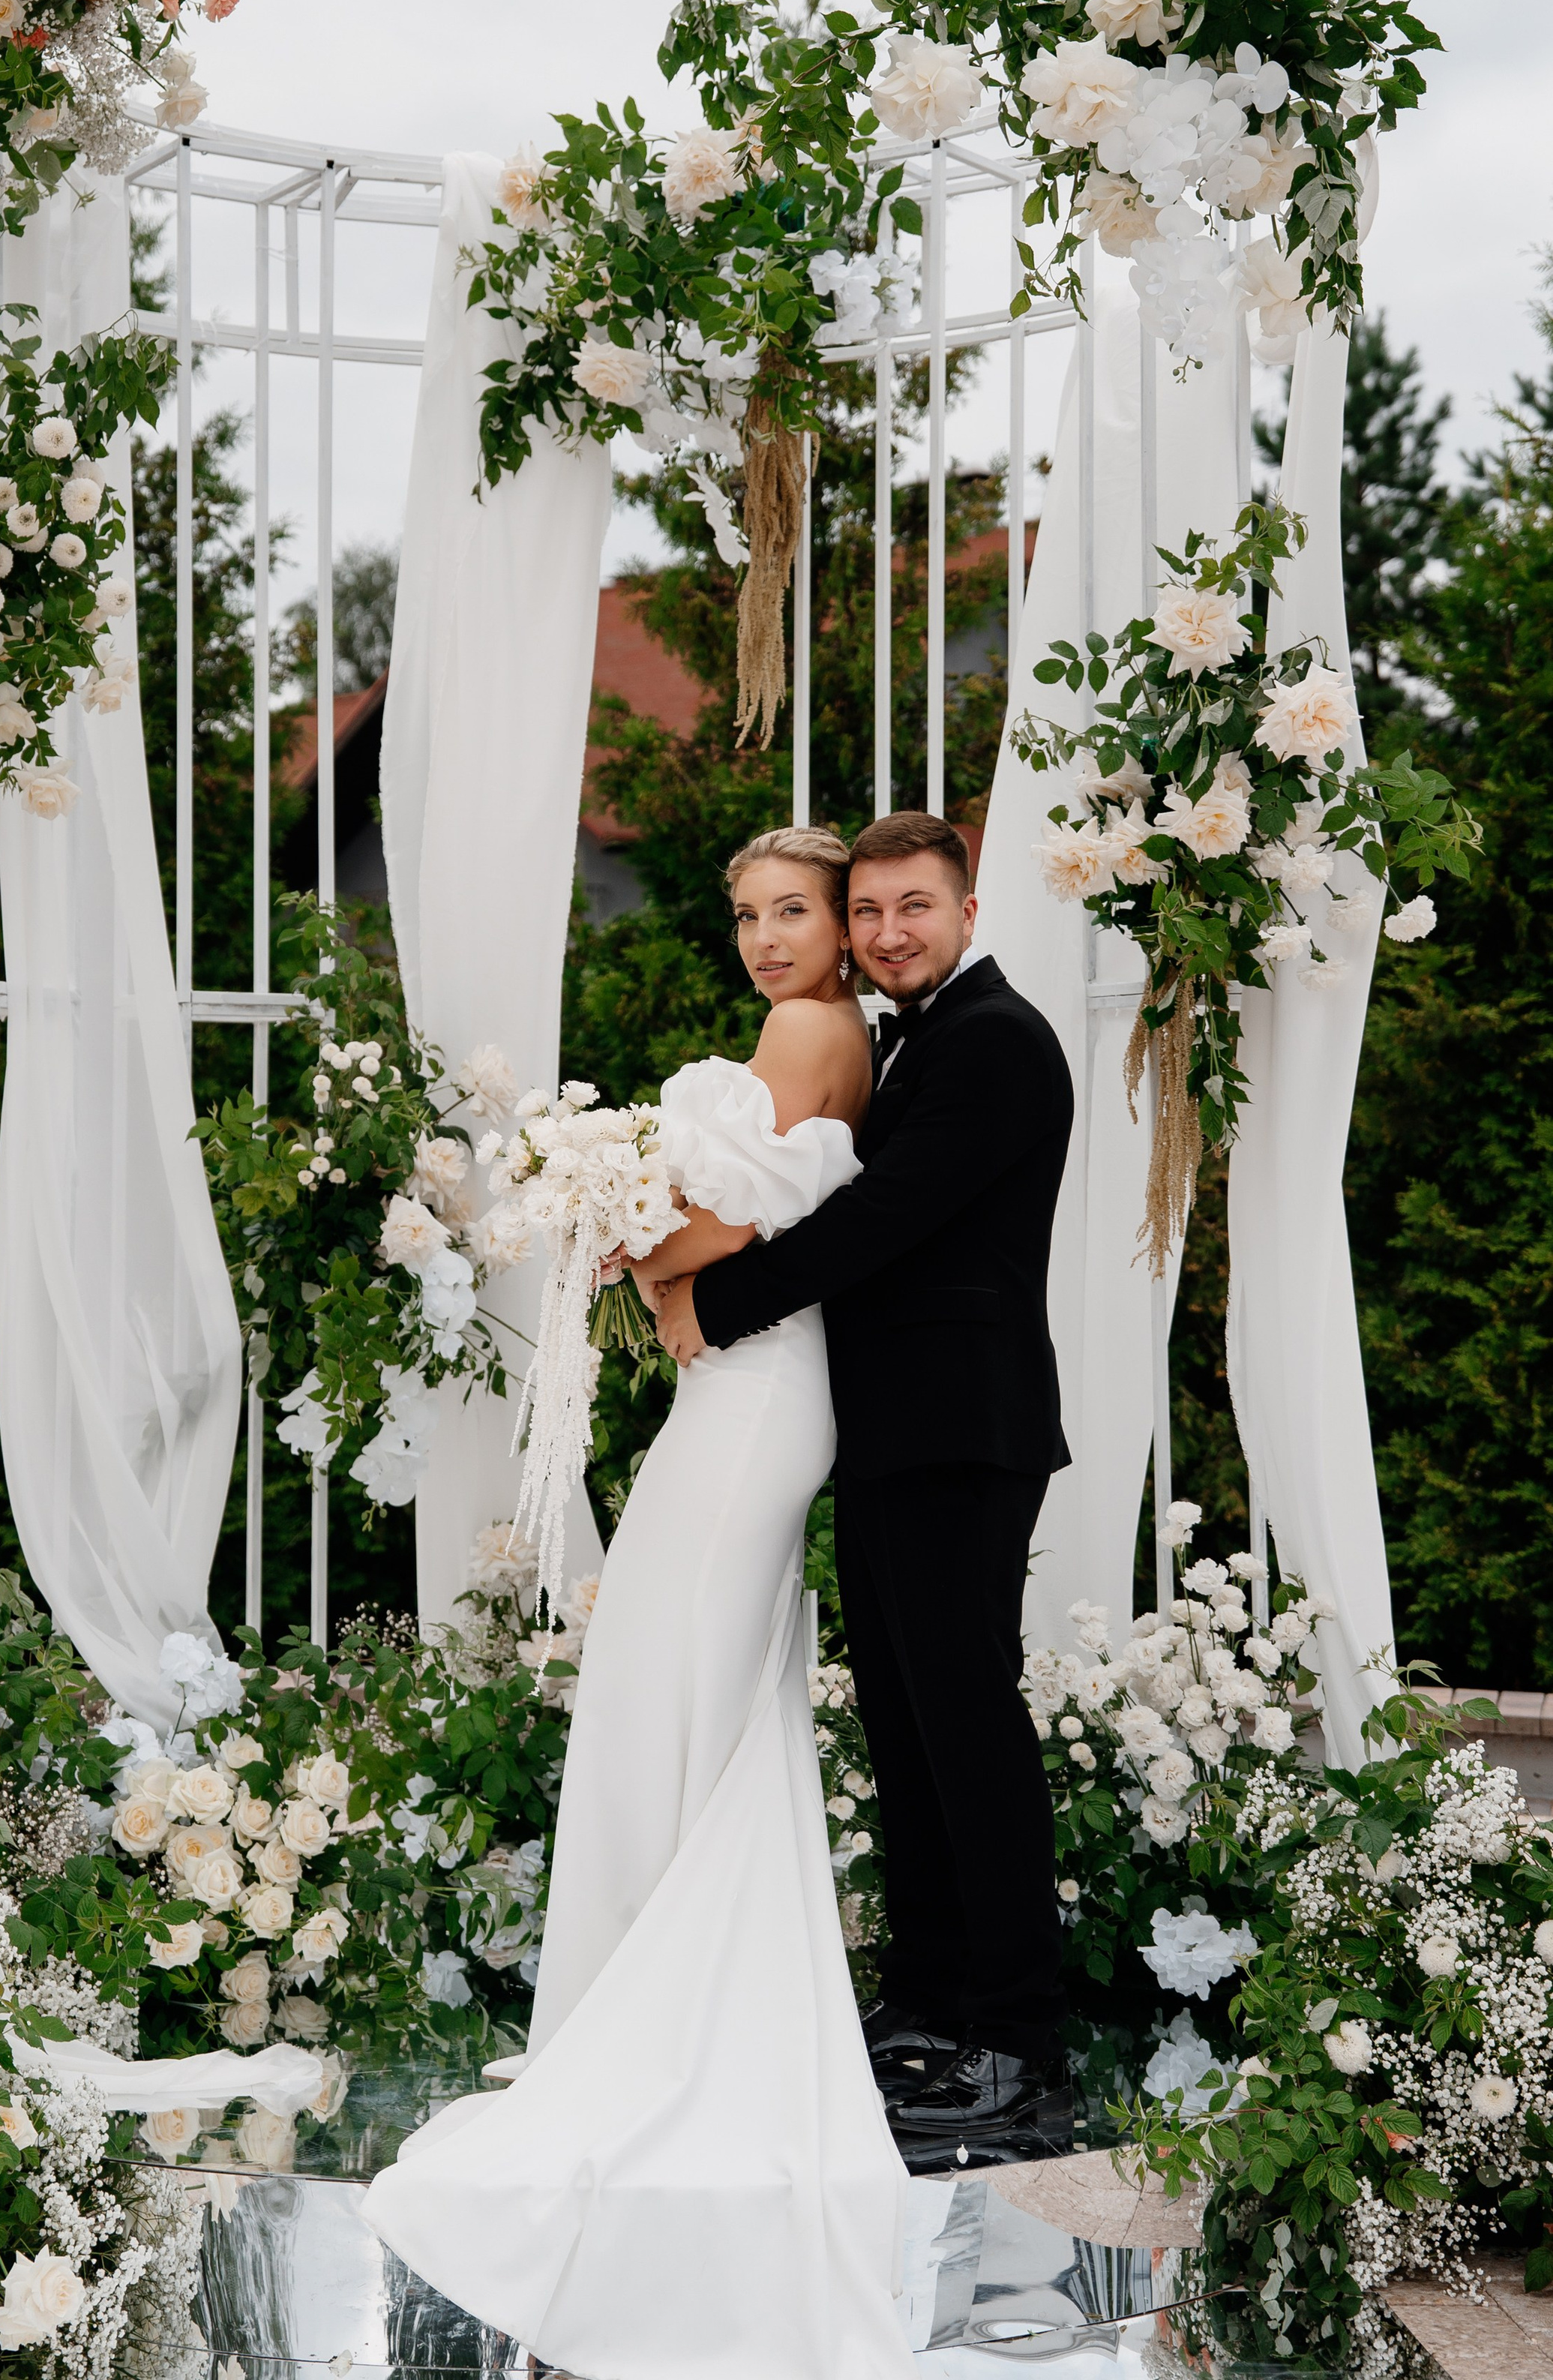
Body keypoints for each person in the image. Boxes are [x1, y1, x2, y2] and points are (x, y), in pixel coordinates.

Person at [364, 827, 918, 2380]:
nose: (766, 937)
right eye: (746, 915)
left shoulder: (809, 1033)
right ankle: (643, 2006)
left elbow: (730, 1231)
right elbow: (726, 1233)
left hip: (754, 1401)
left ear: (839, 925)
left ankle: (657, 2025)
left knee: (671, 1684)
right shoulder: (812, 1027)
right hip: (744, 1390)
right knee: (680, 1689)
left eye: (792, 911)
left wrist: (631, 1242)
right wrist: (643, 1248)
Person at [651, 809, 1076, 2160]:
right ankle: (933, 2002)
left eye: (916, 908)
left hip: (964, 1432)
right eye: (874, 911)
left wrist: (716, 1304)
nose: (891, 933)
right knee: (904, 1727)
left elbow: (879, 1221)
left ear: (966, 910)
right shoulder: (909, 1037)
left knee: (968, 1728)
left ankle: (1016, 2045)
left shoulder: (997, 1042)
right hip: (892, 1430)